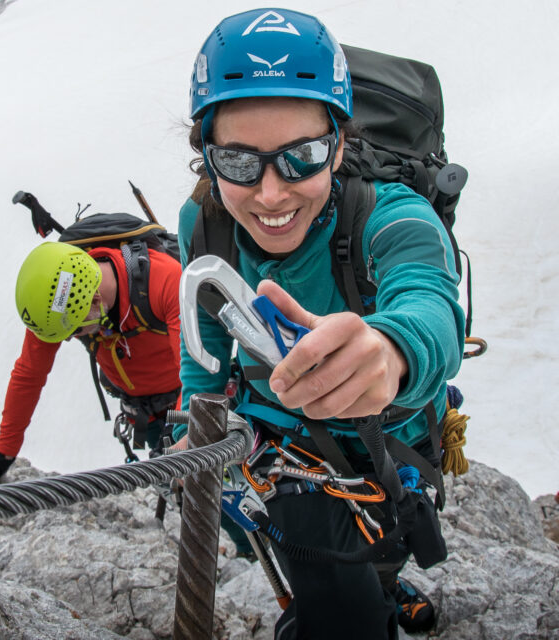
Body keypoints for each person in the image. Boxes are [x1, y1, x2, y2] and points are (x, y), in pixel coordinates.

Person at [176, 8, 464, 639]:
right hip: (284, 461)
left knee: (381, 558)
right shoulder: (204, 225)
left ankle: (383, 583)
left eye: (302, 156)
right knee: (338, 607)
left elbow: (430, 303)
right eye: (239, 162)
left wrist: (389, 352)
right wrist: (193, 418)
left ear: (339, 143)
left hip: (393, 450)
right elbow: (207, 349)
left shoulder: (393, 215)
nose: (272, 194)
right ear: (206, 155)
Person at [0, 240, 182, 486]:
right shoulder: (57, 310)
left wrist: (179, 429)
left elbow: (197, 370)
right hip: (150, 415)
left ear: (95, 301)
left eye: (76, 330)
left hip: (192, 401)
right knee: (187, 500)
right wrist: (3, 455)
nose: (72, 338)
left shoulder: (165, 281)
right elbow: (29, 374)